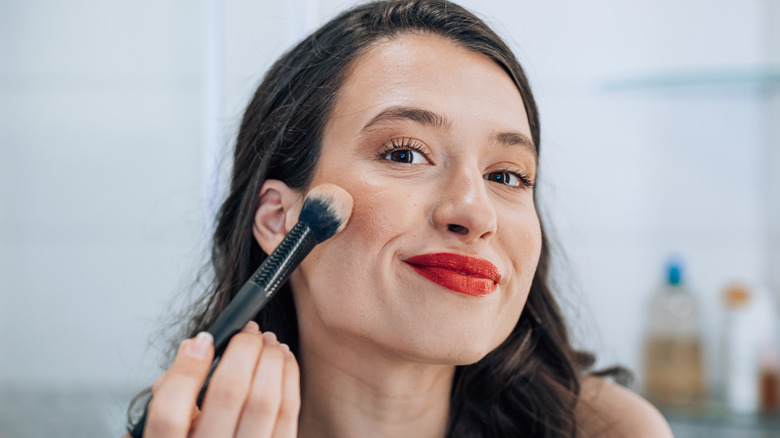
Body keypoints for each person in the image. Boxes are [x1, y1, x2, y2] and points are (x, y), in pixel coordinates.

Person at [126, 1, 673, 436]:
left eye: (507, 176)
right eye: (405, 154)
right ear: (278, 219)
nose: (474, 211)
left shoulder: (607, 430)